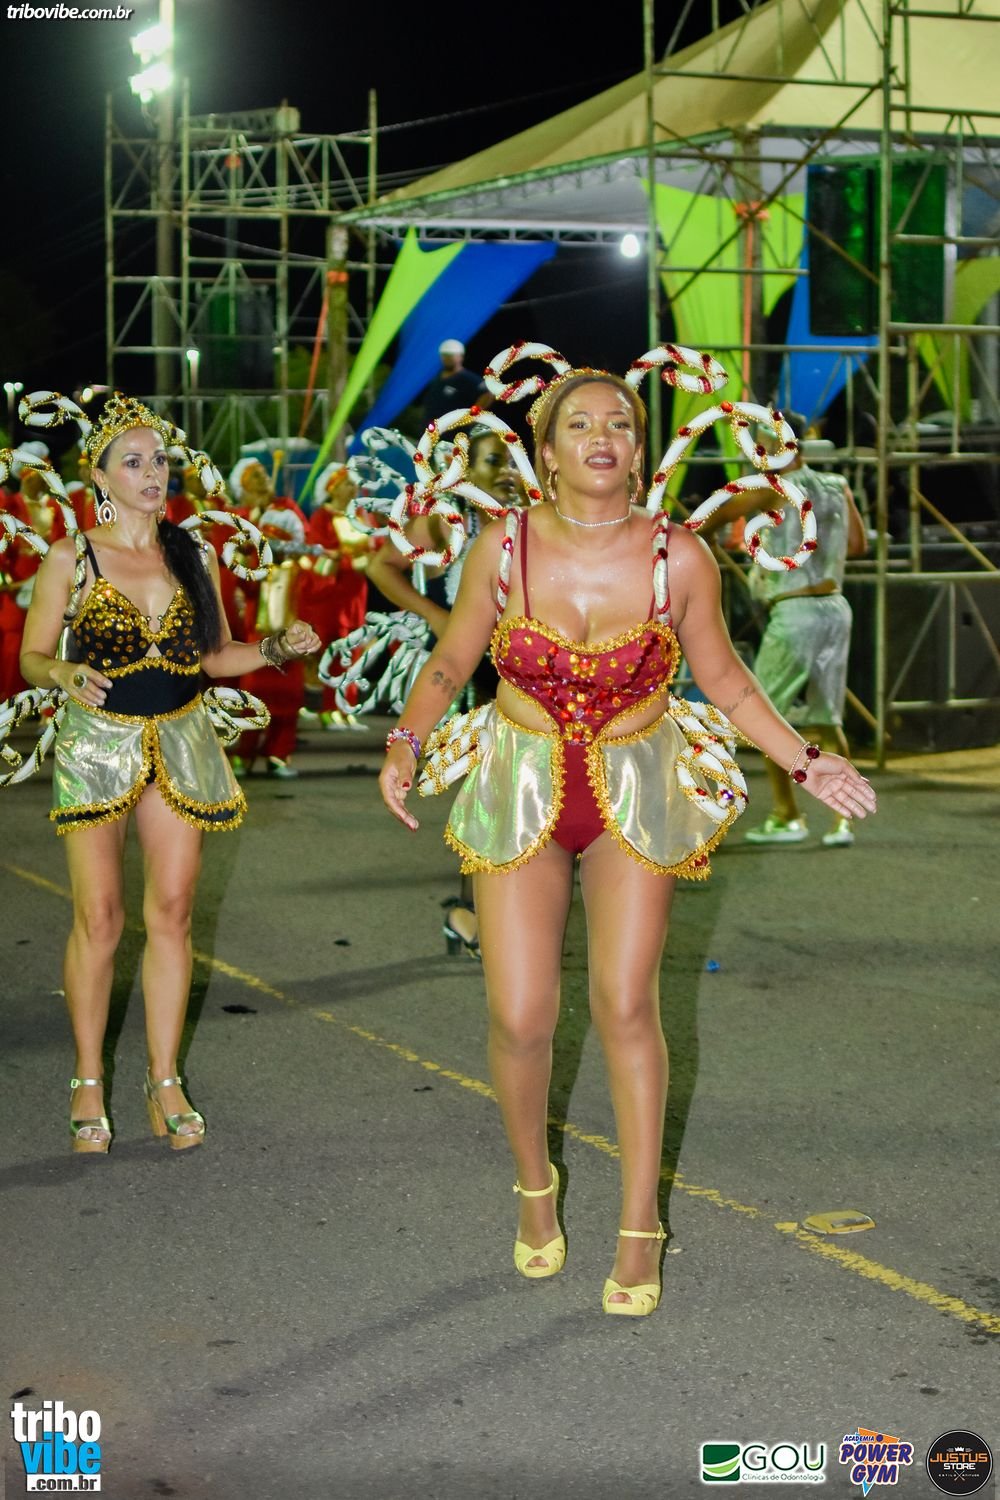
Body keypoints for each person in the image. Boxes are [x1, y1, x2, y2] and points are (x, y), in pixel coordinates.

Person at [380, 351, 876, 1316]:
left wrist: (809, 761)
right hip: (519, 785)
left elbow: (727, 682)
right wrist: (406, 740)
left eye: (618, 423)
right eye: (579, 424)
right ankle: (535, 1187)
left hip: (636, 791)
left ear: (640, 450)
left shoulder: (677, 556)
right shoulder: (502, 547)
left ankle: (640, 1222)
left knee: (625, 1005)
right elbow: (452, 658)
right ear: (547, 451)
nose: (601, 437)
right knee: (521, 1015)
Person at [10, 392, 320, 1154]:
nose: (153, 474)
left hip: (181, 741)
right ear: (100, 476)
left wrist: (275, 649)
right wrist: (63, 672)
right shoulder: (71, 556)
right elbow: (32, 655)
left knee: (174, 913)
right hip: (96, 746)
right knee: (101, 918)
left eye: (160, 461)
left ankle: (163, 1077)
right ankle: (88, 1079)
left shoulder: (193, 554)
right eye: (134, 462)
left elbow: (214, 658)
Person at [366, 425, 523, 956]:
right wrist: (435, 615)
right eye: (493, 460)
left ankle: (488, 912)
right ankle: (471, 912)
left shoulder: (535, 516)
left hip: (530, 667)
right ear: (466, 468)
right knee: (492, 788)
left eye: (513, 460)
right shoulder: (452, 519)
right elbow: (381, 567)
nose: (507, 471)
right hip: (477, 668)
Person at [697, 412, 869, 848]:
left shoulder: (772, 489)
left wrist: (705, 542)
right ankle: (842, 820)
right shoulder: (837, 485)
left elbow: (709, 519)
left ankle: (787, 814)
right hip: (836, 607)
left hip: (794, 611)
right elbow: (857, 545)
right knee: (827, 717)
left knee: (762, 717)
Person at [421, 339, 490, 427]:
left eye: (451, 356)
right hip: (429, 425)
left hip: (452, 430)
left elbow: (487, 393)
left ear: (461, 357)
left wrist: (471, 416)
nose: (447, 358)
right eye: (445, 355)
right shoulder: (437, 375)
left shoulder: (468, 378)